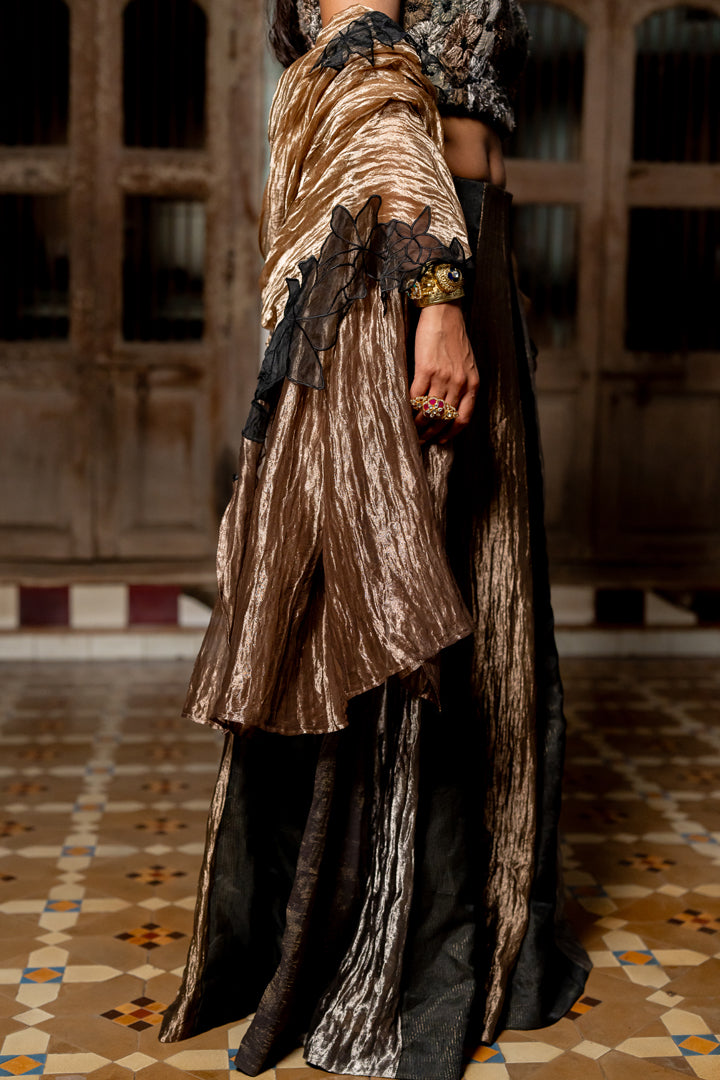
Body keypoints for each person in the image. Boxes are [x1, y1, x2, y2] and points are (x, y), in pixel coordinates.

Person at [159, 0, 591, 1076]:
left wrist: (486, 282)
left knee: (477, 593)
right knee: (407, 599)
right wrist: (439, 297)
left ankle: (473, 927)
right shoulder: (424, 246)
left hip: (465, 236)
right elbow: (373, 77)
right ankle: (390, 948)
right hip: (410, 257)